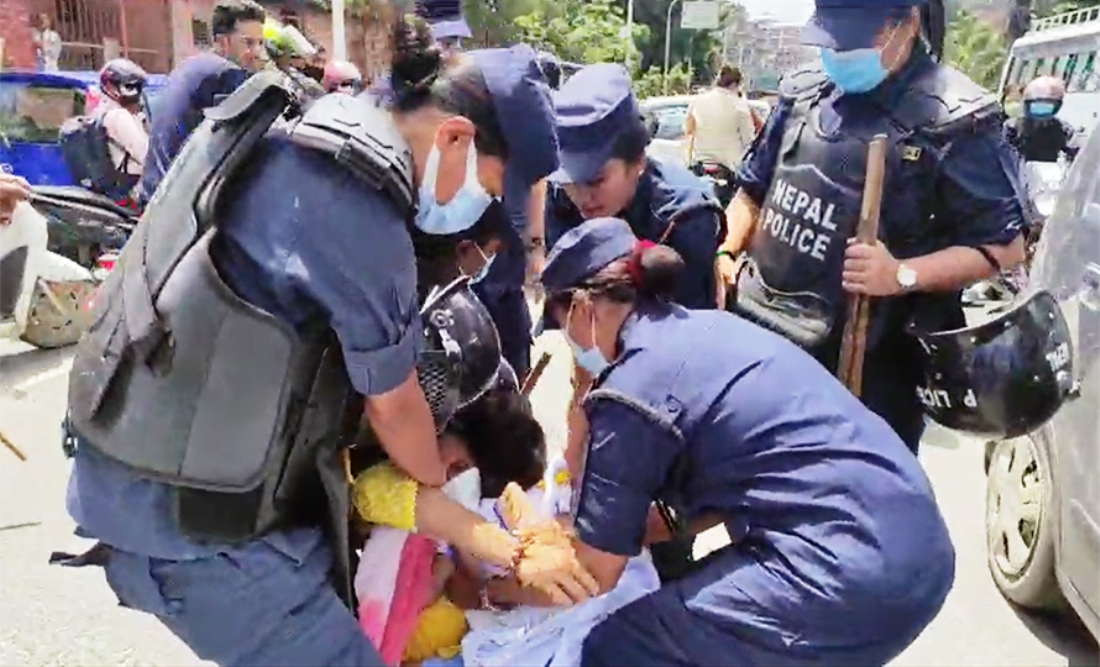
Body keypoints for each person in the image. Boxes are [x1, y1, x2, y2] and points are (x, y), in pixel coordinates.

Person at [58, 14, 593, 667]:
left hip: (142, 473)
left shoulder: (308, 128)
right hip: (191, 525)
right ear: (455, 136)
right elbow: (394, 410)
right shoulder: (360, 207)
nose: (479, 209)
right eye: (487, 190)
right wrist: (440, 484)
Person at [537, 216, 955, 667]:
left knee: (618, 646)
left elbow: (594, 572)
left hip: (847, 571)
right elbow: (712, 496)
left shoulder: (631, 389)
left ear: (583, 308)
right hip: (920, 553)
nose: (572, 346)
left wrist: (494, 590)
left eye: (565, 327)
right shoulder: (712, 330)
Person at [717, 0, 1027, 452]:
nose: (841, 51)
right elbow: (752, 191)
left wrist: (900, 274)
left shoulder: (957, 119)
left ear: (908, 23)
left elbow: (1004, 247)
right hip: (766, 344)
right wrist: (726, 250)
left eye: (857, 37)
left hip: (873, 379)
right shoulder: (802, 95)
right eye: (833, 38)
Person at [545, 63, 724, 313]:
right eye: (570, 181)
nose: (583, 196)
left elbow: (688, 324)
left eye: (596, 180)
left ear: (638, 161)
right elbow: (560, 296)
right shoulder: (561, 196)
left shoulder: (684, 218)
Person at [138, 0, 266, 204]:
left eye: (260, 43)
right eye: (248, 43)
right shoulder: (225, 73)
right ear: (223, 42)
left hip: (155, 189)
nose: (257, 52)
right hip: (173, 203)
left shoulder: (195, 64)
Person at [685, 64, 756, 178]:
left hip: (700, 165)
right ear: (735, 84)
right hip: (729, 168)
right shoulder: (740, 106)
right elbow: (748, 140)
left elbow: (688, 130)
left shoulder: (698, 100)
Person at [95, 59, 150, 200]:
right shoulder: (119, 116)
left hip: (116, 190)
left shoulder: (102, 111)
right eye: (130, 87)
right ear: (110, 87)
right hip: (129, 190)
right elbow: (146, 155)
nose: (136, 94)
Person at [1004, 75, 1079, 163]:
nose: (1041, 111)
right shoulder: (1012, 128)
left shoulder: (1063, 129)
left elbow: (1076, 153)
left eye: (1048, 105)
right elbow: (1004, 157)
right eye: (1037, 105)